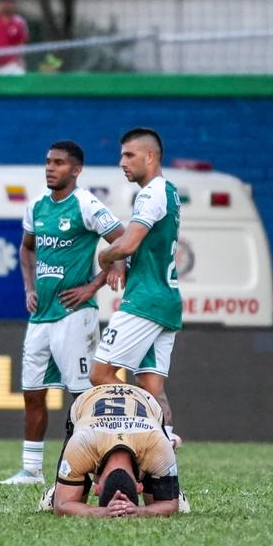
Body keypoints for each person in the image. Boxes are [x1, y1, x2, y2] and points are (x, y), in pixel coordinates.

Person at [0, 140, 124, 485]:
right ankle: (31, 470)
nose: (50, 168)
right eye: (48, 162)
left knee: (82, 396)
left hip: (75, 313)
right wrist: (29, 288)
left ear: (76, 169)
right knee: (32, 392)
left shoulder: (86, 204)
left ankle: (94, 467)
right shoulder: (37, 207)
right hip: (41, 317)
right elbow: (26, 249)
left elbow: (122, 240)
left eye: (58, 163)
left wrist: (93, 286)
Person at [91, 128, 182, 438]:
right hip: (167, 300)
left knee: (100, 374)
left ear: (151, 156)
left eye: (129, 155)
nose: (122, 162)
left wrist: (105, 256)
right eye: (122, 156)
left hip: (145, 300)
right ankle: (166, 451)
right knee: (152, 386)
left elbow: (128, 244)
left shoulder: (151, 193)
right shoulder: (170, 191)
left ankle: (148, 430)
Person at [51, 384, 181, 518]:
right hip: (90, 401)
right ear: (139, 488)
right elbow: (60, 506)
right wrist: (141, 511)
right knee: (64, 499)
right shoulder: (81, 443)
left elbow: (63, 506)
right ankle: (60, 487)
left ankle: (162, 480)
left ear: (96, 489)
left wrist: (138, 511)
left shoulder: (157, 445)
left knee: (72, 500)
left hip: (140, 402)